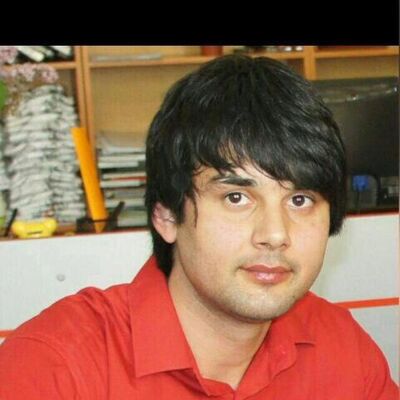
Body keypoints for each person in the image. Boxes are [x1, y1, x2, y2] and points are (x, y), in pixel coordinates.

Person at [0, 54, 397, 399]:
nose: (276, 234)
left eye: (300, 200)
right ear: (166, 216)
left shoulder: (343, 349)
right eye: (236, 197)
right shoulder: (54, 366)